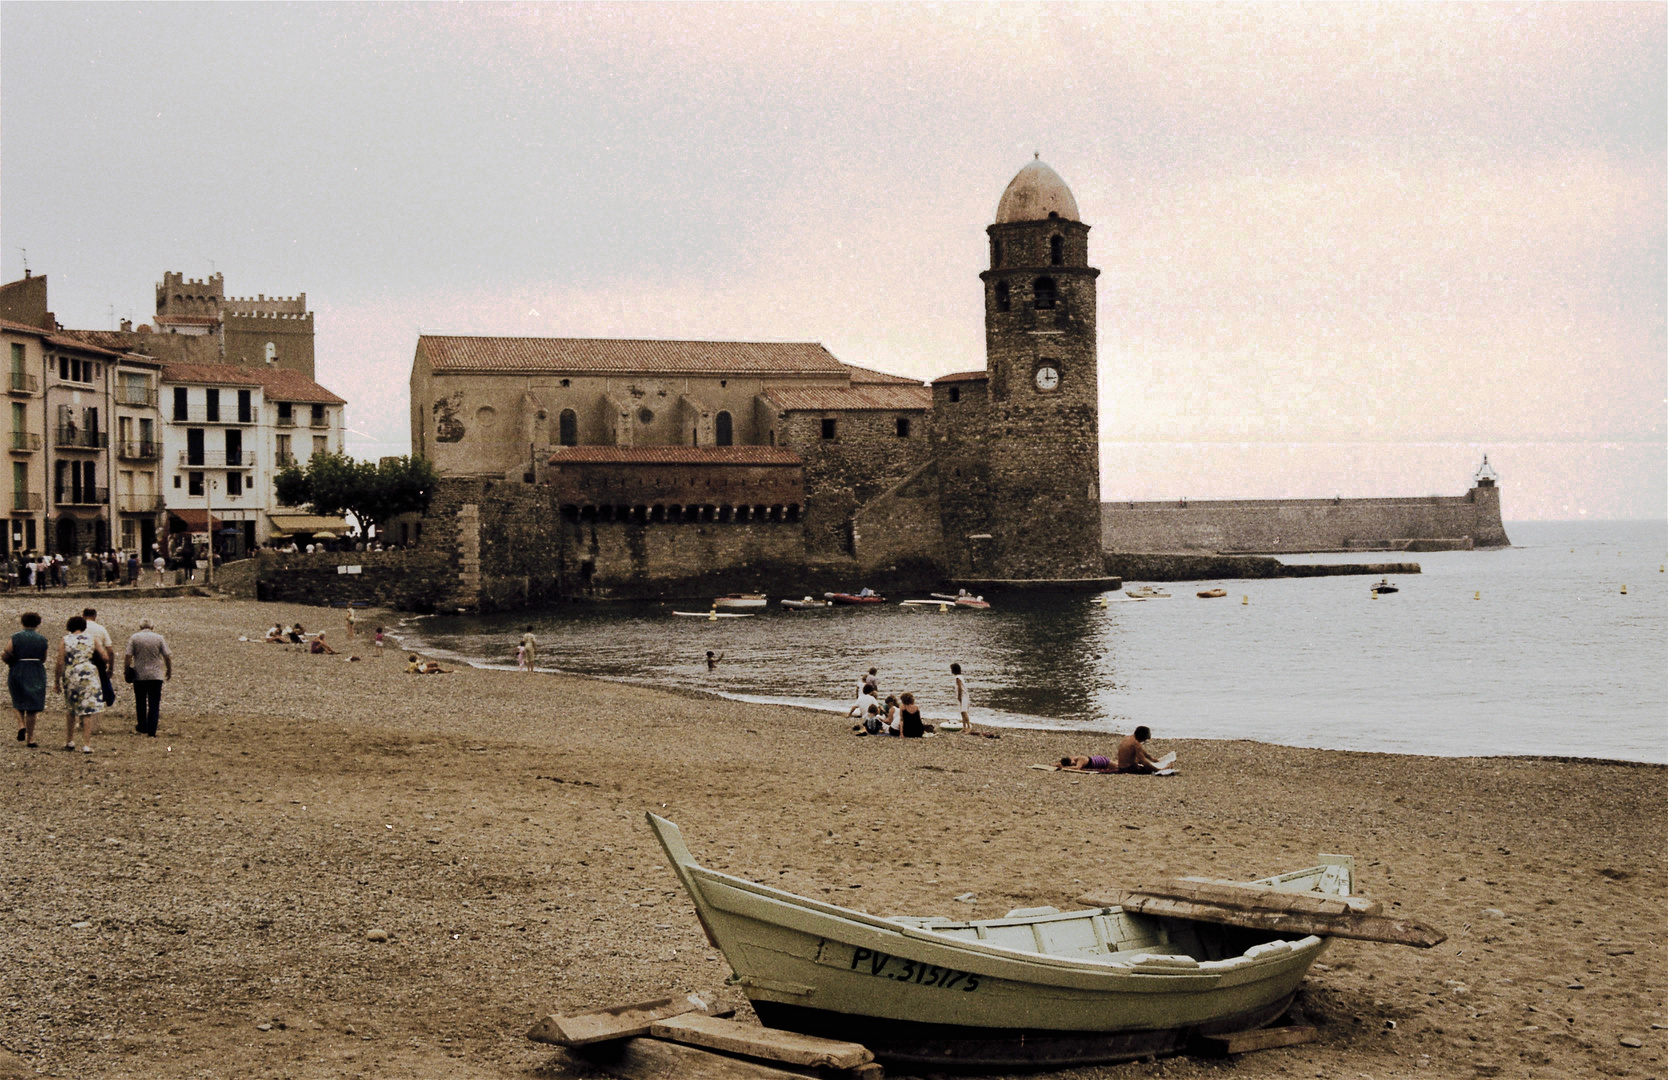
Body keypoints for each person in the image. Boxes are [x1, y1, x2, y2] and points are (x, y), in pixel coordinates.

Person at [55, 615, 109, 753]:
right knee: (87, 710)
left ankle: (69, 740)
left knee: (71, 708)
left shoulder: (65, 640)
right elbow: (104, 656)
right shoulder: (93, 638)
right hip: (88, 673)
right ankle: (86, 744)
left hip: (71, 674)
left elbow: (60, 662)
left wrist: (57, 681)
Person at [5, 612, 49, 747]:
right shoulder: (42, 639)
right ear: (38, 623)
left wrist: (10, 661)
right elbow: (44, 658)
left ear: (22, 622)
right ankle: (30, 739)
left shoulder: (16, 637)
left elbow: (7, 651)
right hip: (35, 669)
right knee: (32, 705)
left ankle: (20, 724)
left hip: (18, 667)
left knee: (17, 699)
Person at [124, 618, 172, 737]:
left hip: (139, 675)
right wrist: (169, 670)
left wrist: (126, 670)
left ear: (140, 627)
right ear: (152, 627)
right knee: (154, 703)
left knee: (140, 702)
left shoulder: (134, 638)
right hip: (156, 675)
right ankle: (152, 730)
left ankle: (142, 726)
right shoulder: (159, 638)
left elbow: (128, 656)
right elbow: (167, 656)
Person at [82, 609, 116, 708]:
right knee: (102, 676)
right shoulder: (100, 629)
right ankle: (107, 696)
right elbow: (110, 650)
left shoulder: (80, 628)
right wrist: (110, 667)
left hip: (84, 656)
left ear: (83, 616)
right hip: (98, 656)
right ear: (95, 616)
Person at [951, 662, 972, 733]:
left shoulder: (957, 678)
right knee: (962, 712)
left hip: (963, 696)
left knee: (964, 711)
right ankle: (964, 727)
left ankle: (968, 726)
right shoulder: (960, 677)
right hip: (963, 695)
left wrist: (959, 696)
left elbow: (960, 688)